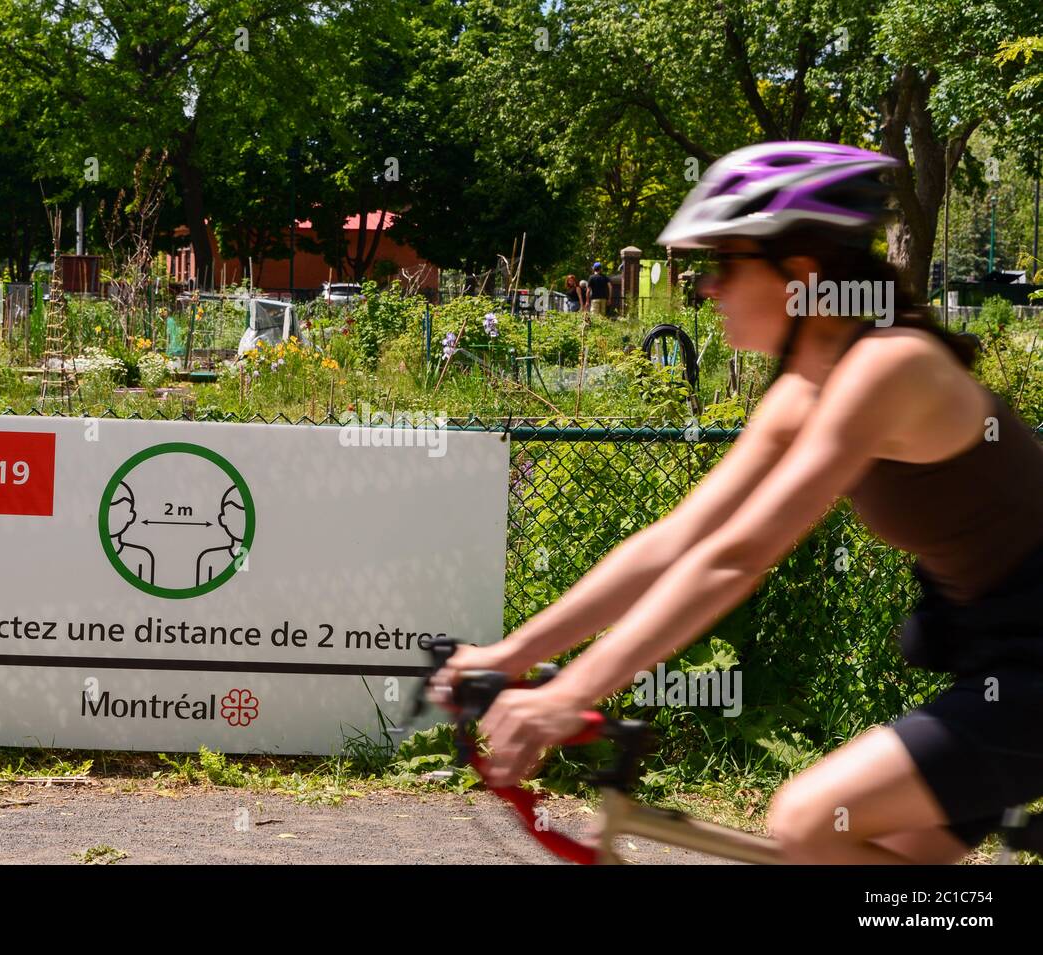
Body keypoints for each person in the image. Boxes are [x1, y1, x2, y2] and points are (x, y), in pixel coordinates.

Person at [433, 140, 1043, 864]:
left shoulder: (889, 366)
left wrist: (573, 692)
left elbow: (737, 556)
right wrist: (512, 654)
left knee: (812, 819)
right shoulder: (802, 390)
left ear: (801, 274)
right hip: (995, 666)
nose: (705, 288)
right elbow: (679, 538)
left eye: (725, 265)